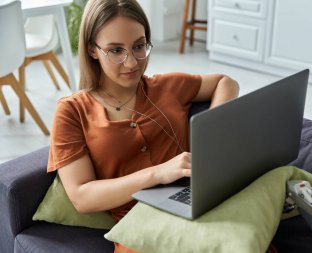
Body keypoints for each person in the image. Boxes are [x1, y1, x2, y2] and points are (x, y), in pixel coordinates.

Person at [48, 0, 239, 252]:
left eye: (139, 46)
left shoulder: (167, 87)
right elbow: (82, 197)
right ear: (92, 50)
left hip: (199, 203)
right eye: (116, 51)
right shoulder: (72, 111)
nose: (132, 63)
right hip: (140, 229)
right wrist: (159, 172)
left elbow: (225, 82)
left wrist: (210, 137)